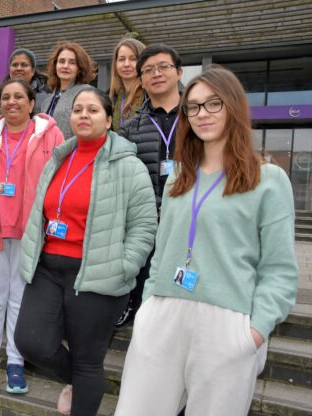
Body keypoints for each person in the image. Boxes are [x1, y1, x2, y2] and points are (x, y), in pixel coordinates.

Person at [115, 65, 300, 415]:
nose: (202, 114)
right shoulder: (178, 179)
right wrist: (148, 307)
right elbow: (162, 251)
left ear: (234, 106)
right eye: (194, 106)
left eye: (213, 104)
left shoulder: (269, 180)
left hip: (226, 320)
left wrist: (253, 333)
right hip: (164, 312)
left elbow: (280, 270)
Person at [14, 87, 157, 415]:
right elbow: (41, 211)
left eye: (93, 110)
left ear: (108, 120)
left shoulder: (128, 166)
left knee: (88, 359)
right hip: (48, 267)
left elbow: (144, 226)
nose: (83, 115)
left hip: (98, 273)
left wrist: (124, 266)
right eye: (78, 109)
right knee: (30, 342)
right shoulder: (60, 158)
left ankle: (85, 381)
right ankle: (82, 378)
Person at [0, 78, 64, 394]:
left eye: (19, 96)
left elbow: (60, 180)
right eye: (6, 97)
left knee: (20, 300)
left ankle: (16, 363)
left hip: (28, 234)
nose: (12, 102)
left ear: (32, 103)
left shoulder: (50, 135)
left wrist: (48, 222)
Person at [116, 44, 184, 328]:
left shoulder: (199, 120)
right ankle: (132, 304)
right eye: (148, 70)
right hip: (147, 216)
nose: (156, 74)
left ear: (179, 72)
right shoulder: (131, 127)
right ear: (141, 80)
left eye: (164, 67)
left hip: (186, 215)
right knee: (142, 270)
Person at [0, 48, 50, 142]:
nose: (19, 68)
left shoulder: (46, 97)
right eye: (15, 65)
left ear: (32, 71)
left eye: (24, 65)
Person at [41, 41, 96, 139]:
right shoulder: (46, 102)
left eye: (72, 62)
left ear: (79, 68)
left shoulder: (87, 93)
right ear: (55, 66)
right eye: (61, 61)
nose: (65, 66)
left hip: (74, 152)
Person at [109, 37, 146, 132]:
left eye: (133, 59)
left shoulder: (150, 95)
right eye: (121, 59)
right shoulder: (111, 98)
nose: (126, 64)